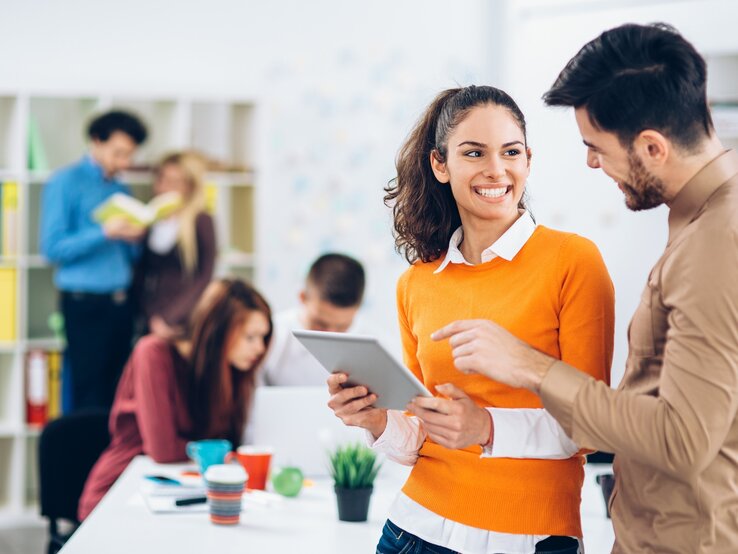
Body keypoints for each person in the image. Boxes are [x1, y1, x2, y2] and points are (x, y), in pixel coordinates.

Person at [432, 24, 738, 553]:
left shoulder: (716, 242)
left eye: (596, 148)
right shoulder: (702, 223)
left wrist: (529, 365)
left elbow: (682, 439)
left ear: (651, 147)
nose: (592, 163)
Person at [327, 86, 614, 553]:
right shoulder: (417, 283)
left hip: (528, 537)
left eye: (511, 152)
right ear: (441, 165)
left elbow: (591, 426)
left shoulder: (573, 261)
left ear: (528, 160)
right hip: (412, 530)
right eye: (474, 152)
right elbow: (419, 434)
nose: (496, 170)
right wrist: (376, 420)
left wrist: (485, 427)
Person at [78, 278, 272, 520]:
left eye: (263, 337)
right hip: (122, 495)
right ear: (218, 332)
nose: (260, 349)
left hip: (182, 496)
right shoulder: (153, 354)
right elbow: (163, 450)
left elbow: (227, 441)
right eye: (250, 337)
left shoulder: (229, 371)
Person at [40, 110, 148, 411]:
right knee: (88, 394)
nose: (124, 162)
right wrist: (103, 232)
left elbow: (127, 256)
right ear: (96, 141)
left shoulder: (120, 188)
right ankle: (89, 459)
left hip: (121, 304)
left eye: (129, 155)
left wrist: (134, 238)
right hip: (84, 305)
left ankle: (114, 459)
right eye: (118, 153)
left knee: (120, 393)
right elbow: (52, 247)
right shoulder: (65, 182)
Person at [134, 151, 217, 340]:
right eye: (161, 179)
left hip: (184, 315)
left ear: (189, 186)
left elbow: (204, 276)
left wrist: (169, 318)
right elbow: (143, 273)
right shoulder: (151, 218)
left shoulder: (201, 220)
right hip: (152, 315)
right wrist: (150, 316)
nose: (164, 187)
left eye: (174, 182)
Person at [261, 253, 365, 386]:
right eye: (320, 323)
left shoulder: (379, 346)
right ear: (302, 297)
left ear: (358, 308)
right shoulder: (268, 335)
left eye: (342, 326)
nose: (331, 334)